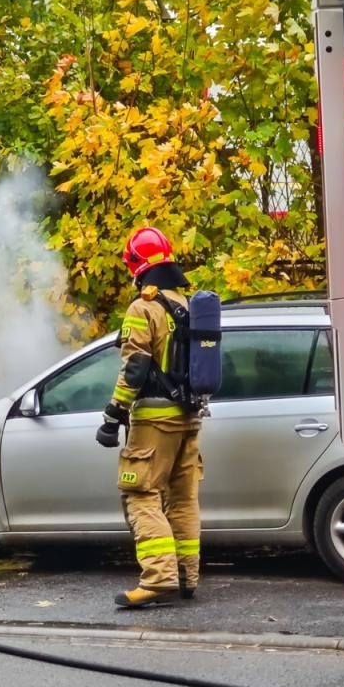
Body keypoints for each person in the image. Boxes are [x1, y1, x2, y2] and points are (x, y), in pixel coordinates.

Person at [96, 226, 203, 608]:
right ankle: (187, 576)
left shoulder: (143, 307)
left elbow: (136, 368)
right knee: (183, 498)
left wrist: (113, 414)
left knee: (141, 494)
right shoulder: (187, 304)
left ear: (136, 265)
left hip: (155, 419)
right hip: (189, 417)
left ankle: (158, 579)